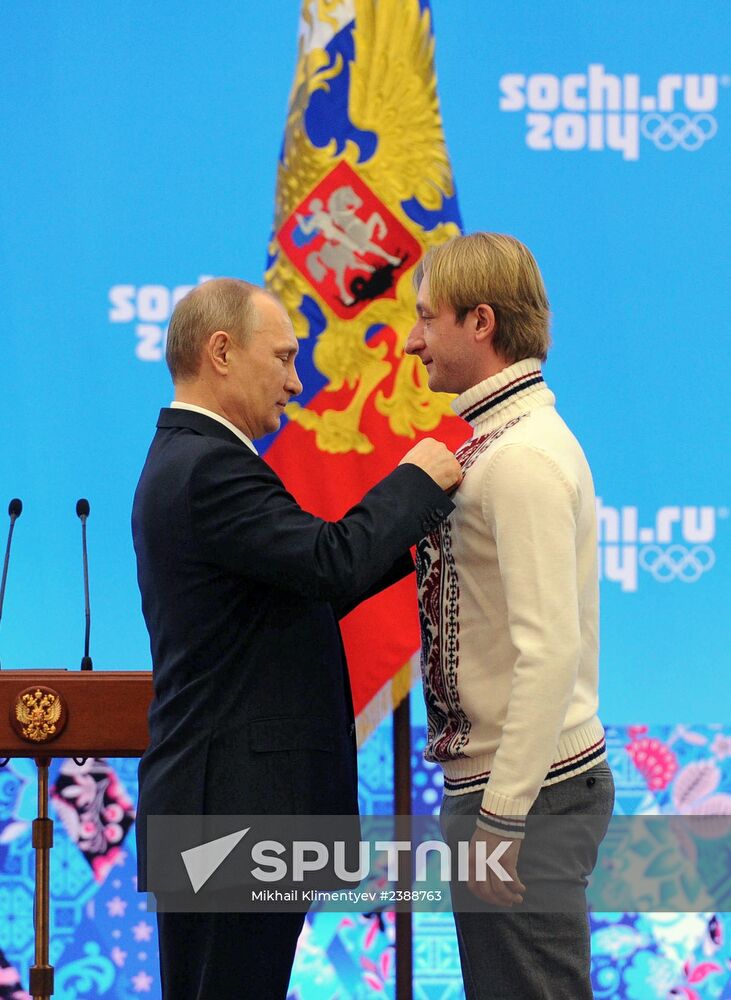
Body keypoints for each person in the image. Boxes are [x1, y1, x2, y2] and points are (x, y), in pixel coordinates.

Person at [132, 277, 461, 999]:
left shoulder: (189, 459)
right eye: (281, 358)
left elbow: (315, 583)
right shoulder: (208, 466)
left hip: (221, 807)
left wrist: (420, 539)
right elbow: (327, 559)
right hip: (231, 813)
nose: (295, 380)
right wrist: (417, 478)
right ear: (221, 352)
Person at [405, 233, 614, 999]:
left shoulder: (518, 457)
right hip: (520, 788)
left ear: (481, 321)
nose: (410, 341)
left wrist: (501, 816)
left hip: (524, 795)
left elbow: (550, 650)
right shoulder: (508, 440)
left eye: (427, 318)